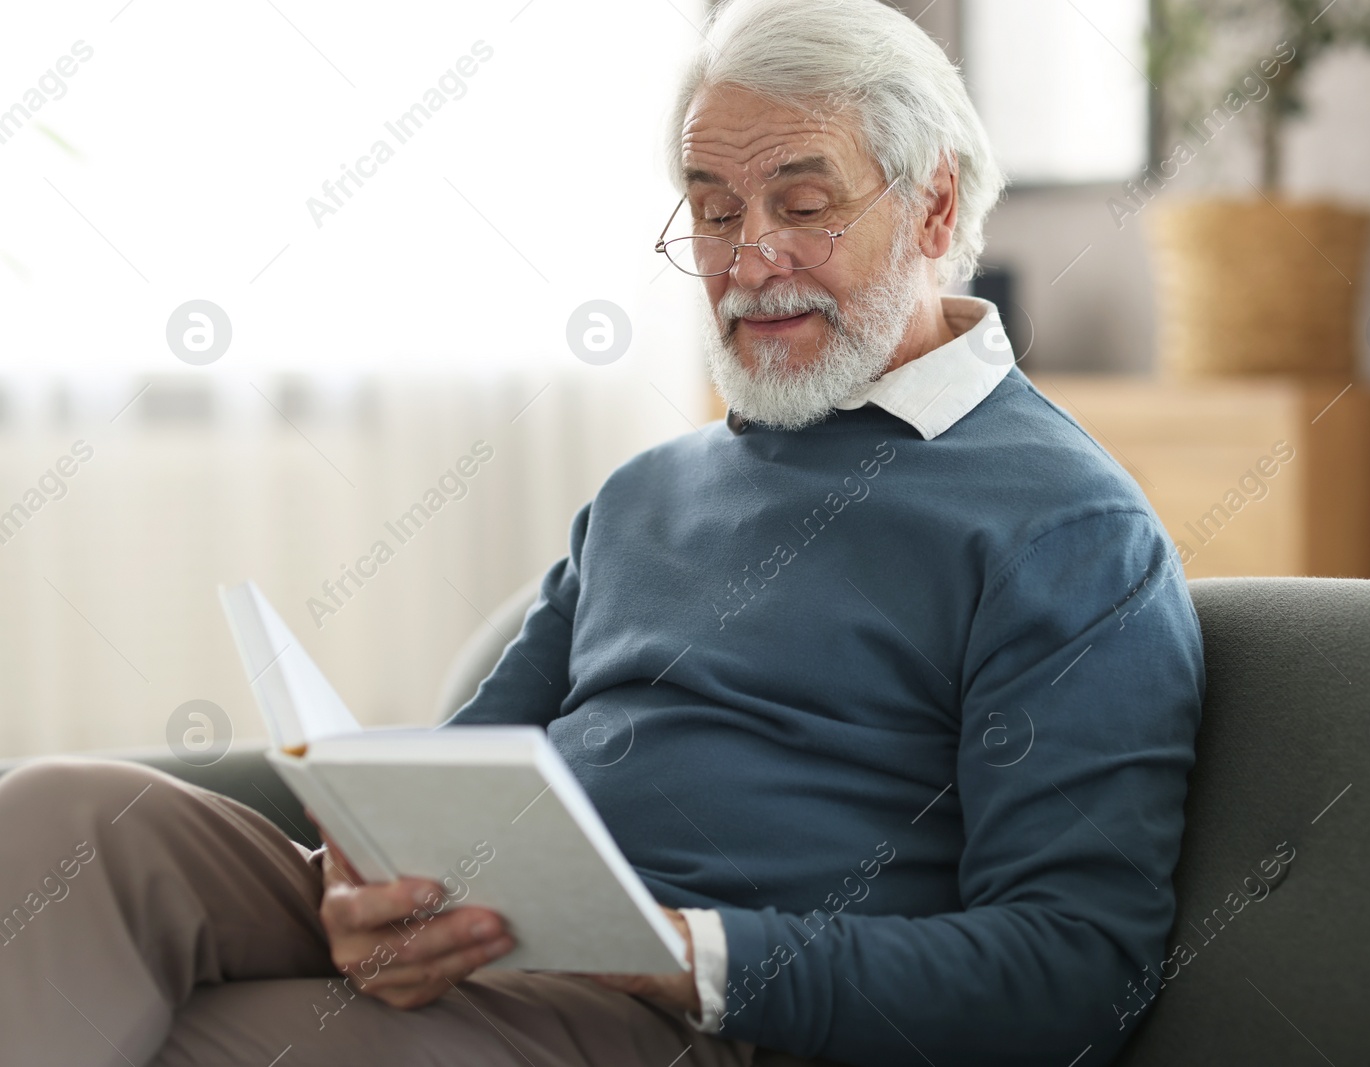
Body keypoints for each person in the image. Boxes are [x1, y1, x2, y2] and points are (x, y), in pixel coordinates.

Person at [0, 0, 1203, 1064]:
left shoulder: (1068, 529)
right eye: (715, 211)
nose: (749, 261)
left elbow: (1075, 972)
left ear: (935, 201)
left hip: (694, 1013)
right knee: (61, 811)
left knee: (216, 1041)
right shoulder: (647, 491)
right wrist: (376, 881)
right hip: (498, 926)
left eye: (801, 203)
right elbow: (455, 777)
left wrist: (691, 954)